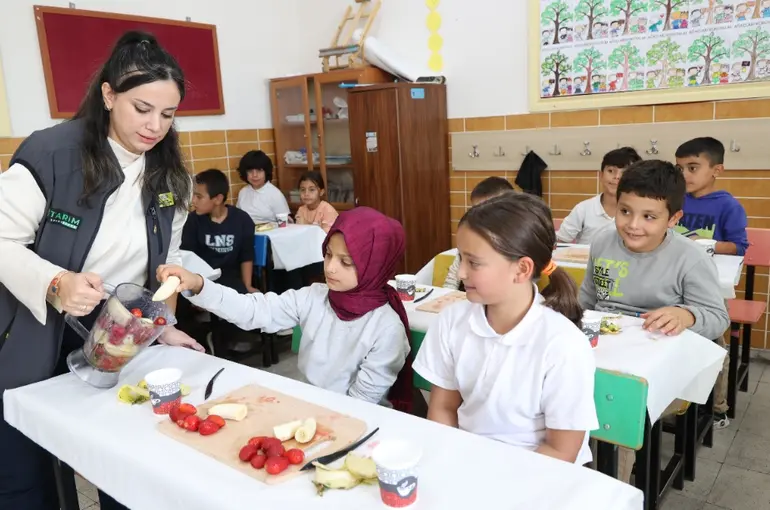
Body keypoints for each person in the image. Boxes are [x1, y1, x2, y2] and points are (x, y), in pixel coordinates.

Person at [0, 31, 203, 510]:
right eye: (142, 108)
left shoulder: (170, 174)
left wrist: (164, 324)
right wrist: (55, 283)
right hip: (32, 327)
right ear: (109, 95)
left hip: (117, 332)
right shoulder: (53, 154)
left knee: (124, 457)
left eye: (168, 114)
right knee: (26, 469)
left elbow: (165, 268)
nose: (155, 126)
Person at [157, 207, 413, 410]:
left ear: (375, 266)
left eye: (346, 262)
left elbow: (360, 405)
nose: (331, 268)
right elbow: (255, 310)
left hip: (356, 421)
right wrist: (200, 284)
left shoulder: (386, 327)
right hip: (307, 404)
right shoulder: (315, 297)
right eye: (328, 255)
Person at [414, 191, 598, 465]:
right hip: (467, 460)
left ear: (522, 270)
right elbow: (442, 409)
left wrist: (493, 480)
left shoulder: (563, 344)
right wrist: (453, 464)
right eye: (460, 259)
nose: (461, 273)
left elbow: (561, 451)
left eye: (473, 262)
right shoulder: (452, 321)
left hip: (540, 472)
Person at [578, 160, 730, 481]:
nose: (633, 225)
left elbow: (717, 318)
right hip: (606, 352)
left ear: (673, 219)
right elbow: (586, 301)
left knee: (615, 407)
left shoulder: (691, 258)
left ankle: (609, 490)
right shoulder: (602, 243)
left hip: (660, 365)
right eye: (625, 211)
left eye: (649, 217)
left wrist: (686, 314)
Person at [182, 169, 257, 294]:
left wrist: (247, 285)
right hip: (202, 280)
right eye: (193, 195)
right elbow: (188, 258)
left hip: (231, 279)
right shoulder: (192, 221)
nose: (193, 201)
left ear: (218, 199)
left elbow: (246, 255)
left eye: (199, 197)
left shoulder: (242, 220)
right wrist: (195, 291)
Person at [673, 137, 748, 255]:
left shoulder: (729, 206)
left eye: (692, 168)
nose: (683, 175)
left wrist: (702, 244)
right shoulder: (674, 198)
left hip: (711, 268)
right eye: (679, 168)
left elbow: (739, 248)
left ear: (717, 170)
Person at [556, 147, 641, 244]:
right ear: (601, 175)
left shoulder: (640, 213)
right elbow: (561, 241)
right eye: (611, 171)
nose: (617, 177)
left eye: (624, 173)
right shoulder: (583, 209)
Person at [443, 177, 514, 290]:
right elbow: (451, 282)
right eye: (476, 211)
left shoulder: (518, 246)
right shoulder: (469, 244)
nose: (481, 219)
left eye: (488, 212)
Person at [235, 150, 290, 224]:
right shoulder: (243, 192)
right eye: (250, 171)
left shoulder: (275, 194)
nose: (254, 175)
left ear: (266, 172)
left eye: (259, 170)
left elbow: (284, 223)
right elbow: (238, 218)